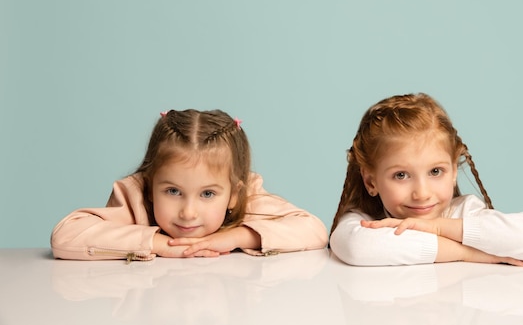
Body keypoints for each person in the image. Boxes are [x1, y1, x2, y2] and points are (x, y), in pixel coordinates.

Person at [51, 109, 329, 261]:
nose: (188, 212)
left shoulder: (248, 197)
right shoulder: (134, 196)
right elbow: (65, 236)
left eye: (208, 194)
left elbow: (314, 231)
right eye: (173, 191)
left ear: (234, 194)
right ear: (150, 186)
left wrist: (236, 237)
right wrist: (158, 244)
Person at [329, 93, 523, 266]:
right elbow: (357, 248)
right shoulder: (366, 221)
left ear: (453, 171)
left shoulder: (465, 213)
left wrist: (438, 227)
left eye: (436, 172)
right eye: (401, 175)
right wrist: (467, 253)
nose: (422, 193)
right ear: (371, 182)